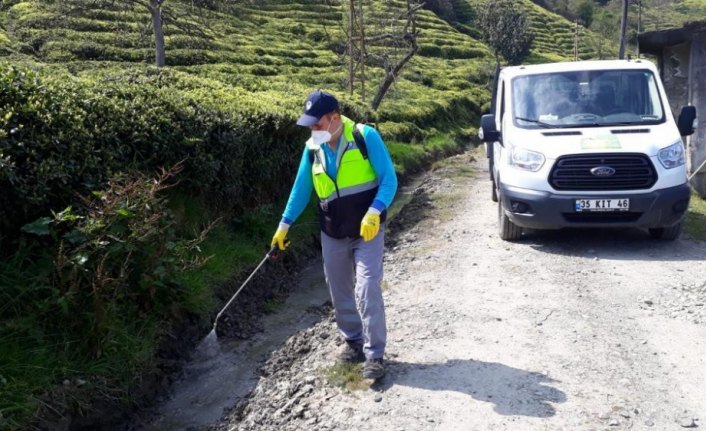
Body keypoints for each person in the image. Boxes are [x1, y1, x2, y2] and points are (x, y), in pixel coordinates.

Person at [271, 90, 398, 380]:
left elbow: (389, 179)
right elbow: (301, 189)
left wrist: (374, 211)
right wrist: (284, 225)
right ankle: (352, 341)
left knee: (367, 287)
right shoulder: (312, 148)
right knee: (339, 289)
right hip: (332, 230)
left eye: (317, 124)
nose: (313, 130)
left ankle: (375, 354)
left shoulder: (365, 137)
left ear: (335, 118)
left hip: (367, 229)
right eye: (310, 125)